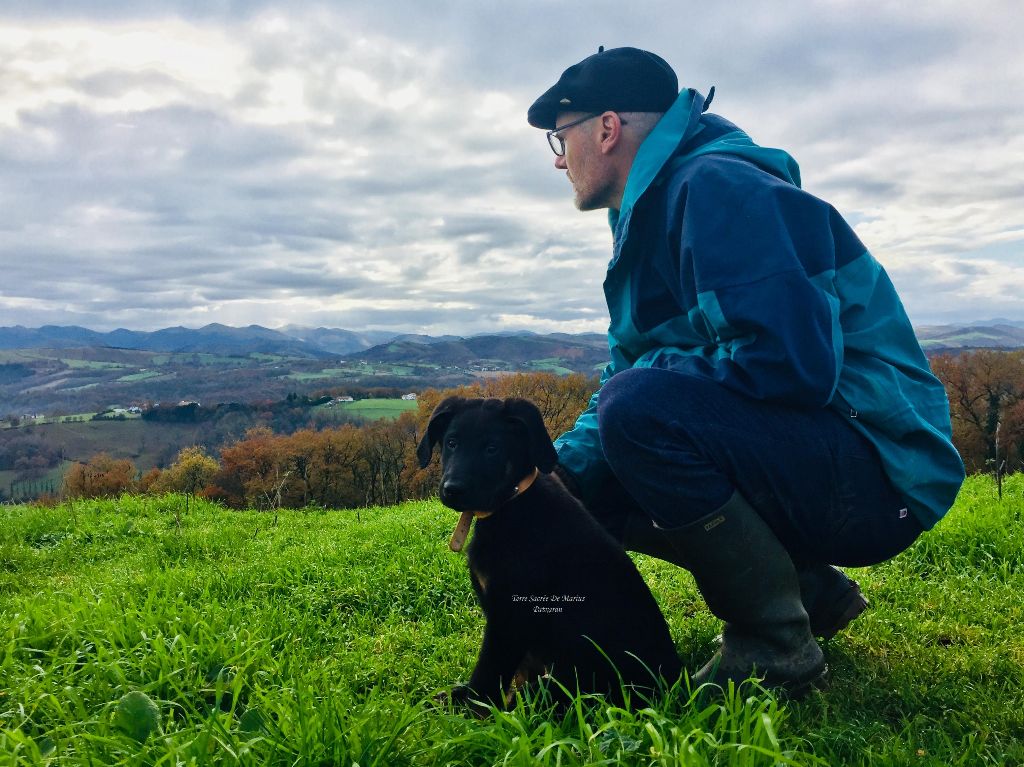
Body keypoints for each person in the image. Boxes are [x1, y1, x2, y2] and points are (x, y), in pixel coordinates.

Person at [527, 46, 965, 692]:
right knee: (599, 468)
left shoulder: (716, 190)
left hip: (882, 471)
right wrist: (557, 475)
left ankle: (774, 644)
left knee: (636, 413)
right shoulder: (644, 217)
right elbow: (630, 366)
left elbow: (794, 364)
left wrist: (654, 376)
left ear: (607, 129)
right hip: (826, 454)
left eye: (560, 139)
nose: (560, 161)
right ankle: (809, 592)